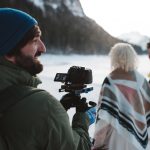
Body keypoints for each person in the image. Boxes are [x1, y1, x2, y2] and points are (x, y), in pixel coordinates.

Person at [0, 8, 96, 150]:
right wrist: (83, 119)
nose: (43, 48)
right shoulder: (44, 107)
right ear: (9, 50)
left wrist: (58, 110)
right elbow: (79, 147)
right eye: (34, 41)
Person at [92, 43, 150, 150]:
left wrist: (97, 144)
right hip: (140, 143)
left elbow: (104, 116)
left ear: (114, 57)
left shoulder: (110, 80)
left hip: (115, 139)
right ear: (133, 57)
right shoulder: (142, 81)